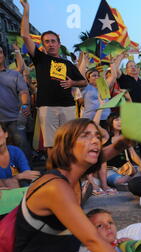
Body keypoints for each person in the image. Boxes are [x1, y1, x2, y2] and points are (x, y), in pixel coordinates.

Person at [12, 118, 141, 252]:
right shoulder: (55, 186)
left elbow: (102, 155)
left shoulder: (74, 175)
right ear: (67, 145)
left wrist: (122, 144)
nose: (95, 140)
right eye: (86, 136)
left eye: (97, 136)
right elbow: (92, 240)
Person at [20, 0, 87, 149]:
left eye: (53, 41)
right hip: (47, 107)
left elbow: (84, 82)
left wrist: (72, 83)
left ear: (59, 43)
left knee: (70, 143)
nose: (50, 44)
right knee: (52, 145)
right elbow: (25, 35)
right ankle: (55, 172)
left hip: (68, 106)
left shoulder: (68, 64)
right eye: (47, 42)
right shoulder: (40, 58)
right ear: (43, 45)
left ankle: (70, 171)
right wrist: (26, 9)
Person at [0, 45, 32, 161]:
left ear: (4, 55)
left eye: (0, 52)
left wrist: (24, 105)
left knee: (22, 146)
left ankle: (28, 175)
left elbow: (23, 92)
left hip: (14, 118)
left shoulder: (14, 74)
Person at [105, 114, 141, 190]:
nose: (120, 122)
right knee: (119, 181)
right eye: (117, 120)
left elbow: (133, 155)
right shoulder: (106, 137)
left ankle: (130, 182)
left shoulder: (125, 137)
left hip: (126, 168)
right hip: (110, 169)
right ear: (111, 122)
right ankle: (131, 181)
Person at [0, 122, 40, 189]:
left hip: (16, 190)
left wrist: (17, 177)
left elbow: (27, 173)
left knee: (25, 183)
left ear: (6, 134)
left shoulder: (15, 152)